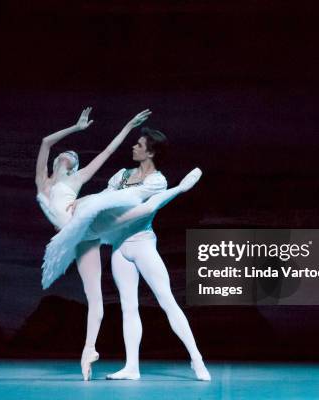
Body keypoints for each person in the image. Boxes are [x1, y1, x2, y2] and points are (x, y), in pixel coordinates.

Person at [41, 128, 211, 381]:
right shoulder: (122, 174)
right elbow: (105, 197)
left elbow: (134, 200)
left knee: (166, 300)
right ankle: (132, 367)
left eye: (139, 145)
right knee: (128, 307)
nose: (133, 147)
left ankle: (197, 361)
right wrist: (82, 203)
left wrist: (88, 205)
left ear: (151, 152)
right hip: (120, 247)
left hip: (142, 243)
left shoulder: (157, 181)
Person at [35, 107, 152, 380]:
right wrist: (77, 128)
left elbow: (107, 153)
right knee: (94, 298)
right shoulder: (43, 180)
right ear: (57, 160)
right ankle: (89, 350)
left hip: (82, 222)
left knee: (91, 202)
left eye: (74, 157)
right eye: (67, 153)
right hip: (74, 237)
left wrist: (127, 126)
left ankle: (149, 204)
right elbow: (45, 142)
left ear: (74, 166)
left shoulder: (77, 178)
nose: (70, 155)